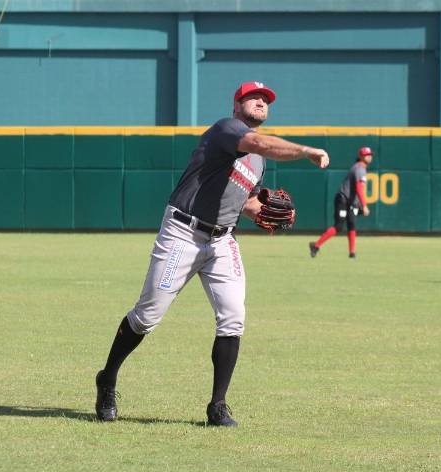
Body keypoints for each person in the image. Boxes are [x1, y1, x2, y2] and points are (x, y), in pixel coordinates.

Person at [94, 81, 329, 427]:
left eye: (267, 100)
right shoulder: (227, 129)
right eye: (254, 97)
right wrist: (306, 151)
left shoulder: (259, 162)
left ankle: (217, 406)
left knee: (233, 317)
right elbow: (259, 142)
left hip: (222, 241)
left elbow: (244, 200)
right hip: (183, 234)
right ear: (237, 104)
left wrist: (262, 211)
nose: (261, 102)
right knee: (147, 316)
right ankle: (107, 378)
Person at [308, 147, 372, 259]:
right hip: (343, 199)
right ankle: (316, 246)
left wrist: (358, 204)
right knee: (338, 226)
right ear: (361, 156)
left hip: (351, 201)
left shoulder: (360, 168)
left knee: (351, 225)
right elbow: (359, 188)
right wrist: (364, 205)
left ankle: (352, 252)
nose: (369, 156)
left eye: (370, 154)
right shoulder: (359, 168)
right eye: (367, 154)